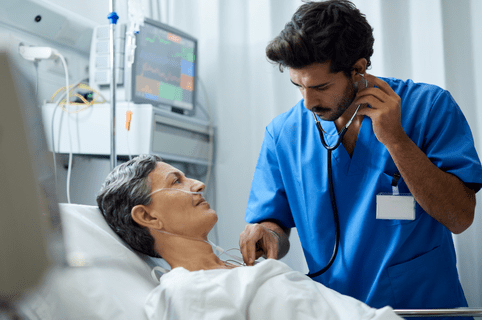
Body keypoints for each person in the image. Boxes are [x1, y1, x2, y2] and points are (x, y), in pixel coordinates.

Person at [239, 0, 482, 316]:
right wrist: (267, 235)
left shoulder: (429, 107)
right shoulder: (283, 133)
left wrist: (396, 140)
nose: (308, 101)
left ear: (358, 68)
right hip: (338, 312)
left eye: (321, 87)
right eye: (298, 86)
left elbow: (460, 217)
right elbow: (275, 224)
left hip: (423, 310)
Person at [96, 154, 402, 320]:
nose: (198, 184)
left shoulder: (235, 271)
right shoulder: (187, 290)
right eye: (177, 181)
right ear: (147, 216)